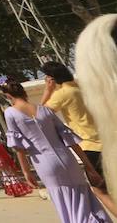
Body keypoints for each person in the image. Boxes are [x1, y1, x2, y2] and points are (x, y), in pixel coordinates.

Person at [1, 76, 110, 222]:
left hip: (44, 162)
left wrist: (26, 172)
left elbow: (18, 146)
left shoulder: (10, 113)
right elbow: (70, 140)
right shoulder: (44, 111)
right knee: (84, 197)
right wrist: (89, 166)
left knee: (65, 202)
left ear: (7, 95)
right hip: (67, 158)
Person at [45, 61, 117, 217]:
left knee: (100, 189)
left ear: (51, 78)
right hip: (108, 142)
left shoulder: (63, 93)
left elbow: (39, 116)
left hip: (90, 146)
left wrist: (48, 90)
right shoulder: (81, 89)